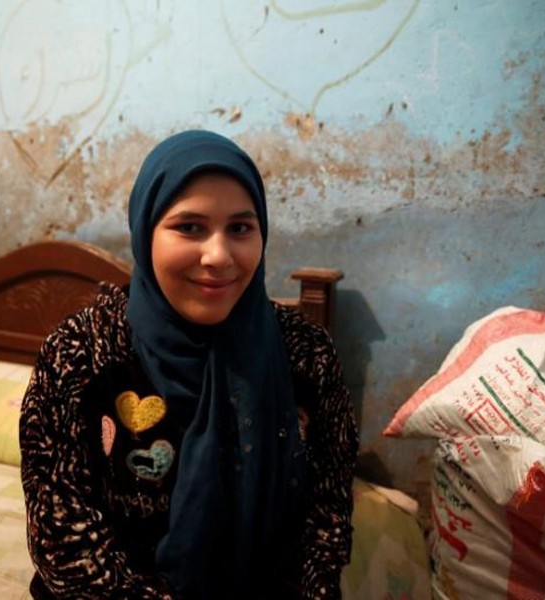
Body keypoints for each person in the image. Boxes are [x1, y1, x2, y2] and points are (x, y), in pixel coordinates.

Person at [20, 130, 358, 599]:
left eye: (240, 228)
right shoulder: (81, 351)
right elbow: (65, 540)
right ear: (145, 232)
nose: (218, 257)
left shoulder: (306, 354)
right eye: (189, 227)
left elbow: (326, 520)